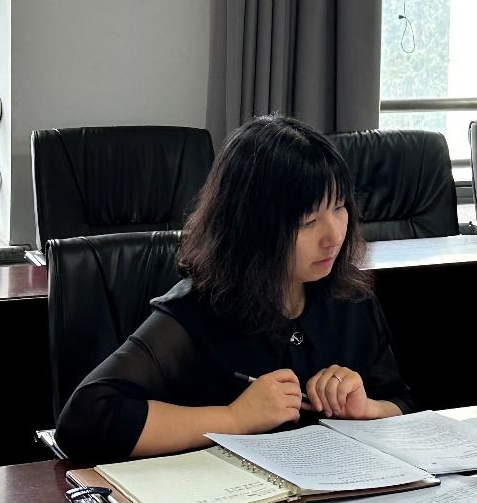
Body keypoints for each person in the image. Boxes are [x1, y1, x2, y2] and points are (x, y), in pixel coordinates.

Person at [56, 114, 412, 462]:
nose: (334, 236)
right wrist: (234, 419)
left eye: (339, 208)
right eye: (308, 221)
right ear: (253, 226)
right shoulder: (197, 311)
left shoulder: (351, 297)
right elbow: (85, 419)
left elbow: (402, 405)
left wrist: (366, 409)